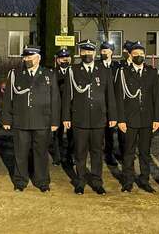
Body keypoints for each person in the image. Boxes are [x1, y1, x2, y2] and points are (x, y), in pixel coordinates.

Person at [62, 40, 117, 195]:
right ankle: (80, 182)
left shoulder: (103, 70)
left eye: (90, 51)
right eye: (84, 51)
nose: (87, 54)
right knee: (80, 152)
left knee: (97, 153)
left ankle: (97, 182)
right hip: (79, 119)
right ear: (80, 53)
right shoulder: (73, 70)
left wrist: (112, 116)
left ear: (94, 53)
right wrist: (66, 117)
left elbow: (110, 95)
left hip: (99, 119)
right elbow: (67, 96)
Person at [2, 46, 60, 192]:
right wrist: (7, 119)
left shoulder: (48, 74)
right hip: (21, 120)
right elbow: (8, 98)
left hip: (42, 121)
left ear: (38, 58)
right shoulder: (15, 74)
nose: (27, 59)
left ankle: (42, 181)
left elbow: (55, 99)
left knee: (41, 153)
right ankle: (20, 181)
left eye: (30, 57)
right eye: (25, 57)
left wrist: (54, 121)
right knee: (20, 153)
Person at [115, 41, 159, 193]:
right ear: (130, 55)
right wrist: (120, 119)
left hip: (147, 119)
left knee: (144, 152)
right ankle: (127, 181)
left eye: (141, 54)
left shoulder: (152, 72)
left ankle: (144, 180)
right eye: (136, 55)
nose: (139, 57)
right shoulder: (123, 73)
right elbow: (119, 99)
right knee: (128, 152)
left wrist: (156, 119)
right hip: (130, 120)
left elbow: (157, 98)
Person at [99, 40, 125, 166]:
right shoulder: (97, 65)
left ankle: (115, 152)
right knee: (101, 130)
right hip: (100, 102)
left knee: (113, 129)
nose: (104, 53)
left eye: (106, 50)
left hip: (114, 101)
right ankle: (104, 153)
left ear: (112, 52)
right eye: (102, 51)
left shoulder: (118, 66)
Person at [49, 48, 73, 167]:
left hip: (71, 108)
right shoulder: (53, 73)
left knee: (71, 134)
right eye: (62, 58)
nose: (65, 60)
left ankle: (70, 156)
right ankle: (57, 157)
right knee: (57, 134)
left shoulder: (74, 72)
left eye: (67, 58)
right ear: (58, 60)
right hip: (58, 108)